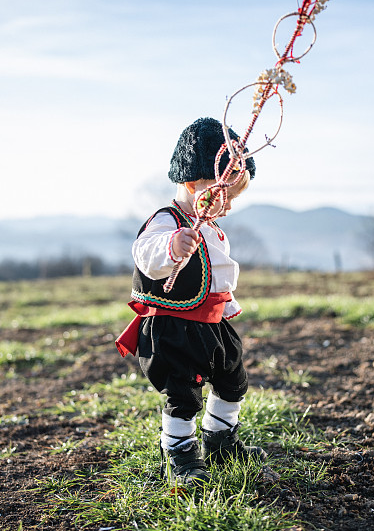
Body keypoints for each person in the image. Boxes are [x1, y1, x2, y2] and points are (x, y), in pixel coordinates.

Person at [115, 117, 266, 486]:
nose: (228, 206)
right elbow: (145, 252)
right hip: (174, 328)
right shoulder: (167, 222)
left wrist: (227, 308)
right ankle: (179, 451)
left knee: (233, 381)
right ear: (192, 182)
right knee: (183, 393)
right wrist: (172, 246)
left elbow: (218, 275)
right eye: (224, 194)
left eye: (233, 198)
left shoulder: (212, 226)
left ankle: (220, 437)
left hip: (214, 324)